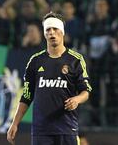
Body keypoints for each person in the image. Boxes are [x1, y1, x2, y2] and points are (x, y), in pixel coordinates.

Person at [7, 12, 92, 145]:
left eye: (55, 29)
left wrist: (77, 99)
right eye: (48, 30)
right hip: (41, 131)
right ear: (44, 34)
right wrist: (15, 123)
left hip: (67, 128)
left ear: (62, 32)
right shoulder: (35, 61)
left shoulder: (76, 60)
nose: (52, 33)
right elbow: (27, 96)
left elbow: (85, 91)